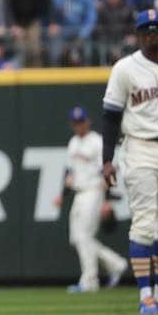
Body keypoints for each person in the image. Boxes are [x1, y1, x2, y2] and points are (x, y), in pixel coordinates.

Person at [101, 9, 158, 315]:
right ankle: (145, 295)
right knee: (144, 222)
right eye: (146, 30)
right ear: (138, 35)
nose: (152, 34)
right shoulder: (125, 68)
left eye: (156, 29)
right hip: (140, 147)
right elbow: (111, 117)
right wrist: (107, 160)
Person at [55, 107, 127, 292]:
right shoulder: (73, 143)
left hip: (94, 191)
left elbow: (107, 170)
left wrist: (107, 199)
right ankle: (116, 264)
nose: (79, 125)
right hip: (79, 193)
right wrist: (62, 194)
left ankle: (89, 281)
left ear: (88, 121)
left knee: (84, 237)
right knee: (77, 239)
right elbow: (71, 173)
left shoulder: (96, 142)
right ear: (72, 124)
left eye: (82, 121)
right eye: (76, 122)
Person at [48, 0, 97, 65]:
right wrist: (52, 24)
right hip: (61, 32)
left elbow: (91, 18)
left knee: (87, 52)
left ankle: (88, 78)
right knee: (55, 52)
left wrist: (83, 34)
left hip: (81, 32)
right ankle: (55, 77)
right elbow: (48, 13)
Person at [96, 0, 135, 64]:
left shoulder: (128, 8)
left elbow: (133, 27)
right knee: (100, 47)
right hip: (108, 41)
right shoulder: (102, 9)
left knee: (131, 45)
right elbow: (99, 30)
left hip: (124, 41)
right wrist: (110, 44)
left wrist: (132, 36)